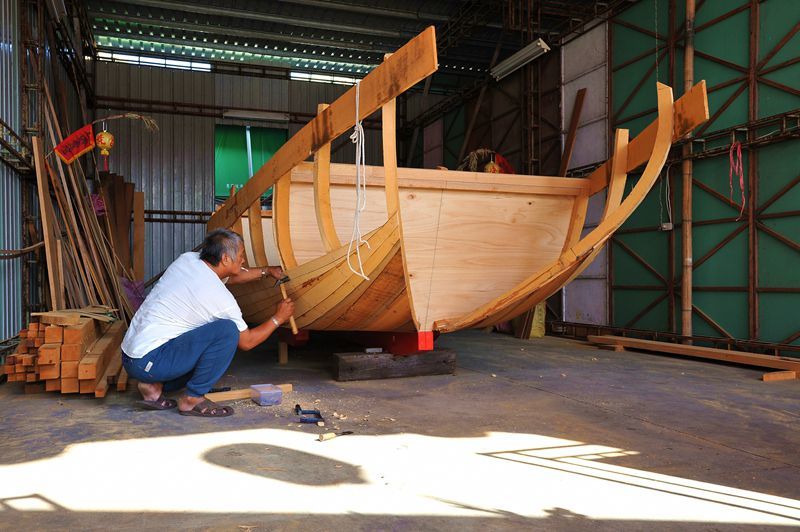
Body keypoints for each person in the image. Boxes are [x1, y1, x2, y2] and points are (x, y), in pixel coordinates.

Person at [121, 228, 295, 417]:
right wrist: (279, 317)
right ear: (226, 259)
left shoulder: (187, 260)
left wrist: (266, 271)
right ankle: (192, 399)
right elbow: (247, 342)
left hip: (132, 358)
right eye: (241, 255)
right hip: (151, 361)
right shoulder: (221, 299)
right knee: (227, 331)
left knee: (202, 335)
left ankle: (153, 387)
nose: (243, 260)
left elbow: (231, 276)